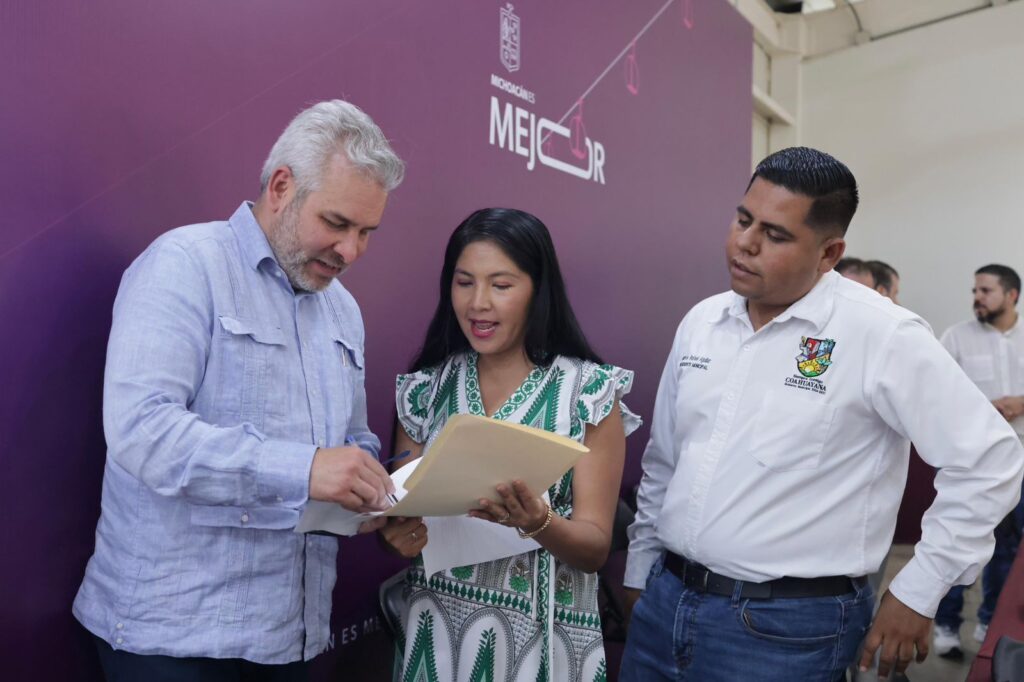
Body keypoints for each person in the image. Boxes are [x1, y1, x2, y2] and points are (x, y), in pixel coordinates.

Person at [620, 147, 1024, 681]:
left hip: (786, 631)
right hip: (665, 599)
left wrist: (918, 591)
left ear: (829, 252)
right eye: (743, 219)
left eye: (775, 234)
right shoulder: (703, 322)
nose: (745, 243)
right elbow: (666, 460)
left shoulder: (882, 334)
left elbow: (990, 461)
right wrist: (640, 568)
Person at [72, 100, 404, 680]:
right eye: (336, 223)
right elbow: (142, 431)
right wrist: (306, 469)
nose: (351, 251)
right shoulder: (184, 265)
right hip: (172, 639)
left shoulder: (343, 311)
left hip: (292, 637)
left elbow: (352, 439)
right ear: (281, 187)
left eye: (366, 232)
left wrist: (371, 494)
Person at [380, 208, 640, 682]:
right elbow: (404, 513)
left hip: (541, 642)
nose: (478, 303)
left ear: (538, 290)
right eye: (464, 282)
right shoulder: (426, 390)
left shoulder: (588, 393)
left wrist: (537, 522)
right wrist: (394, 534)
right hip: (437, 634)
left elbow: (594, 548)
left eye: (501, 285)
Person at [932, 264, 1024, 658]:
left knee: (1009, 546)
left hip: (1021, 457)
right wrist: (984, 408)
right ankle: (946, 625)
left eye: (985, 291)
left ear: (1012, 295)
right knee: (959, 541)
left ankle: (990, 620)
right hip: (971, 459)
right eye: (975, 290)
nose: (977, 298)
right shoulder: (956, 337)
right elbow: (936, 392)